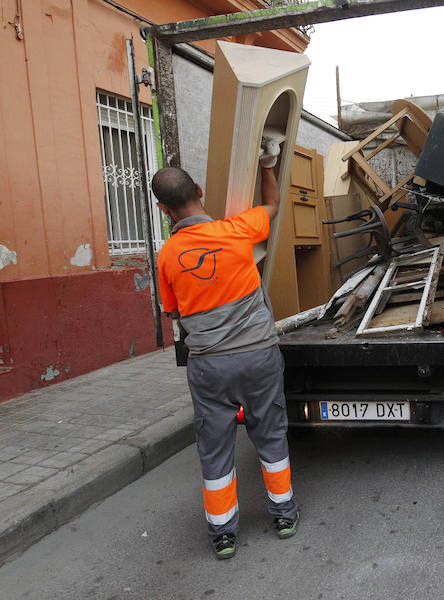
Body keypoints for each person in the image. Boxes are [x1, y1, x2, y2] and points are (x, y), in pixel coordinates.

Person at [152, 139, 298, 560]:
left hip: (210, 366)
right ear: (199, 189)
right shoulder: (238, 230)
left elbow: (174, 311)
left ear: (164, 210)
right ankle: (284, 515)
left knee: (214, 445)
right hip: (259, 357)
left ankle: (223, 534)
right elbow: (272, 205)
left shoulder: (167, 256)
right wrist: (267, 164)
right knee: (269, 434)